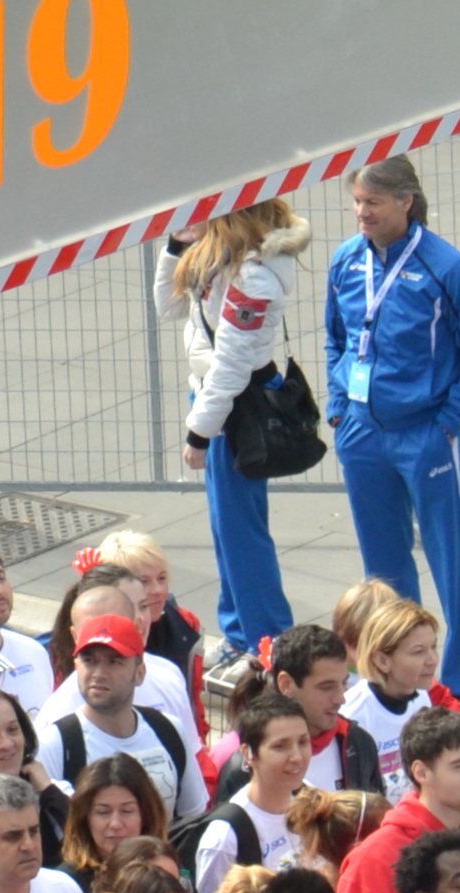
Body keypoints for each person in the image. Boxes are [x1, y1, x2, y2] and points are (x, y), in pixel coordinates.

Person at [323, 159, 460, 701]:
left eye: (372, 203)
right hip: (361, 431)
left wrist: (448, 421)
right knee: (384, 565)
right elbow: (337, 338)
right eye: (356, 202)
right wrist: (337, 405)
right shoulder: (346, 260)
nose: (361, 213)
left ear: (405, 202)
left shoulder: (447, 268)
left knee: (451, 557)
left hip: (425, 435)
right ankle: (392, 671)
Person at [171, 200, 309, 662]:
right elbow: (167, 308)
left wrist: (199, 433)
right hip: (216, 399)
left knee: (241, 531)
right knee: (225, 525)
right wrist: (174, 247)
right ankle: (238, 633)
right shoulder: (216, 257)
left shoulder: (253, 276)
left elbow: (232, 366)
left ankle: (268, 642)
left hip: (236, 406)